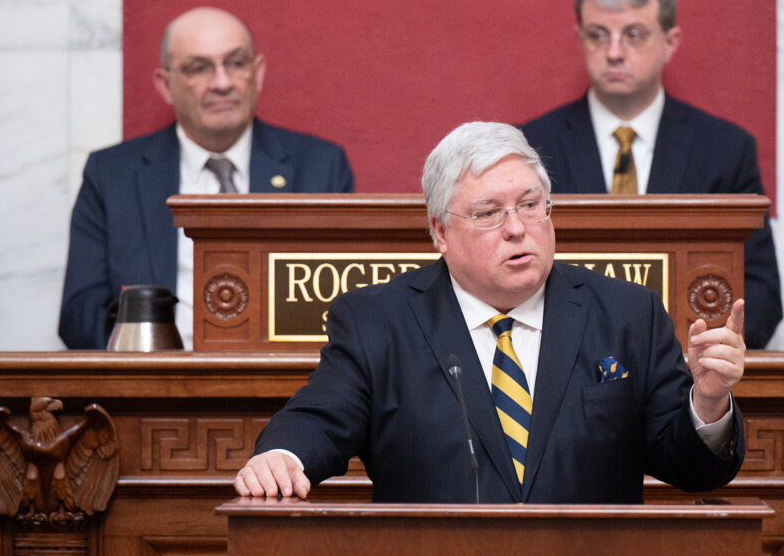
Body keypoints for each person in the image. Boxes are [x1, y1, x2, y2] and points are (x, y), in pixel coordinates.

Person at [234, 121, 745, 503]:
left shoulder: (626, 314)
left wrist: (709, 401)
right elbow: (319, 418)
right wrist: (282, 457)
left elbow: (692, 470)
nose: (517, 228)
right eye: (488, 214)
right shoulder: (378, 323)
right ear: (439, 231)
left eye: (530, 204)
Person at [521, 0, 782, 349]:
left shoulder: (724, 149)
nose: (613, 52)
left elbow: (762, 296)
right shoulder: (531, 148)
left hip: (685, 375)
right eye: (598, 34)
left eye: (634, 34)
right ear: (580, 38)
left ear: (670, 42)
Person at [59, 7, 354, 349]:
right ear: (166, 85)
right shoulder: (112, 176)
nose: (222, 83)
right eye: (199, 68)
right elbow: (79, 316)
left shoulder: (320, 167)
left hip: (285, 389)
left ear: (258, 73)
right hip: (156, 389)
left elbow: (341, 311)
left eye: (236, 63)